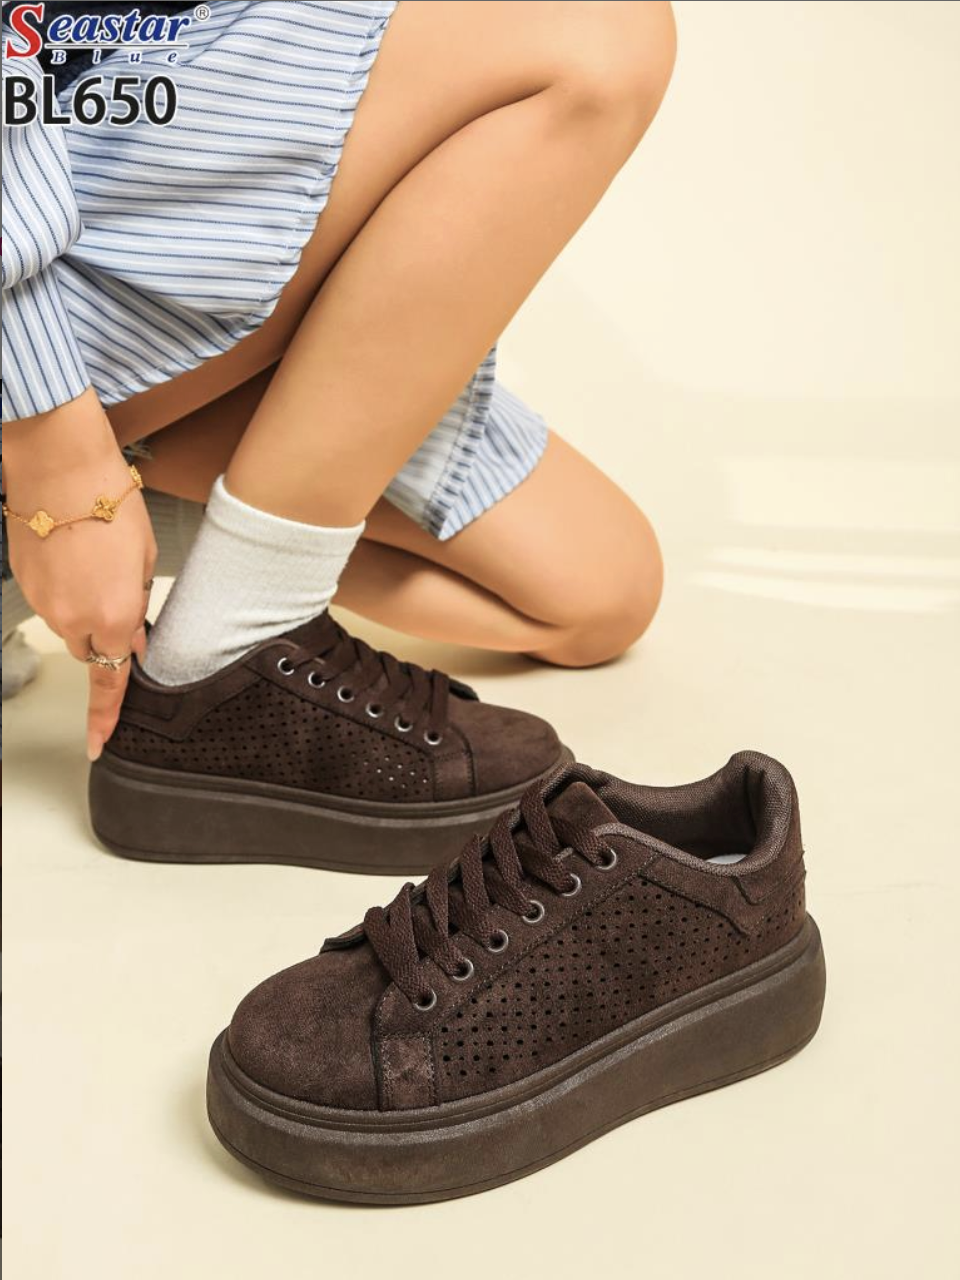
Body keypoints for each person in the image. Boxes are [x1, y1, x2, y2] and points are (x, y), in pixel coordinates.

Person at [2, 1, 675, 860]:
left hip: (155, 136)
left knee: (596, 589)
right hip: (46, 206)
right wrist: (56, 465)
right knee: (596, 29)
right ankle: (222, 659)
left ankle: (167, 560)